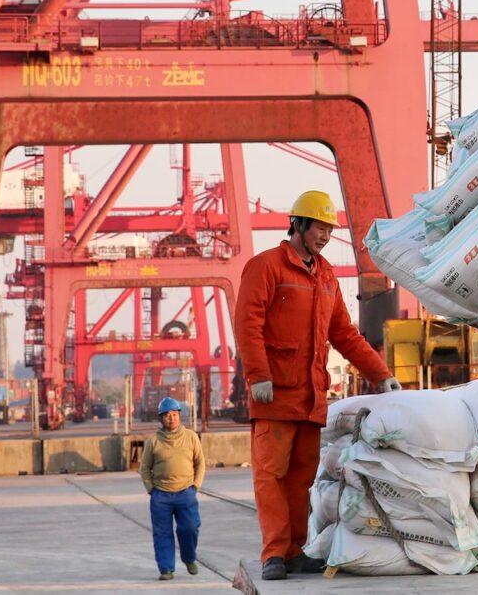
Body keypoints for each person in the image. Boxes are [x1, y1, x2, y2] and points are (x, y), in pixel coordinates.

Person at [233, 190, 400, 580]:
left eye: (329, 229)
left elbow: (345, 334)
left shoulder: (326, 277)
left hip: (310, 397)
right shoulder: (266, 267)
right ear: (299, 225)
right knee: (271, 475)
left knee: (301, 479)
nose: (326, 236)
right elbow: (248, 324)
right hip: (274, 393)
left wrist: (380, 373)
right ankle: (274, 553)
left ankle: (293, 551)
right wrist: (258, 375)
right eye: (320, 227)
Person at [139, 397, 206, 581]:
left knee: (190, 528)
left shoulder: (191, 437)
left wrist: (196, 485)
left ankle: (189, 558)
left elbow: (200, 463)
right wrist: (151, 488)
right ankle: (166, 568)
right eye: (167, 415)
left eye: (175, 415)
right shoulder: (153, 441)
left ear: (179, 416)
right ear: (161, 418)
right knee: (162, 533)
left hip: (186, 492)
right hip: (161, 495)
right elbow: (144, 467)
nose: (171, 418)